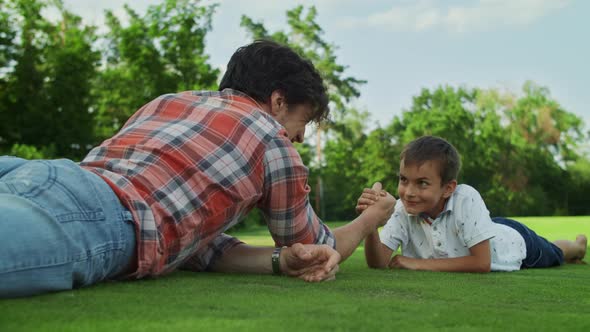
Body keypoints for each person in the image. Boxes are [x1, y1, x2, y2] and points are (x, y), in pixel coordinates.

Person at [0, 40, 396, 298]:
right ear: (278, 102)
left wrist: (278, 261)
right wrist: (370, 220)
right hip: (97, 217)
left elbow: (186, 240)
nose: (300, 138)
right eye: (302, 121)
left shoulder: (168, 101)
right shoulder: (273, 141)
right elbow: (317, 247)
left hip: (43, 173)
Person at [357, 135, 587, 273]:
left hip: (514, 243)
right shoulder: (402, 208)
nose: (408, 192)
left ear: (448, 187)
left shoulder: (466, 198)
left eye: (422, 183)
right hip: (480, 230)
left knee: (557, 252)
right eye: (403, 180)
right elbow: (378, 263)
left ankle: (578, 246)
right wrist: (370, 221)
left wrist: (417, 263)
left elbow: (481, 263)